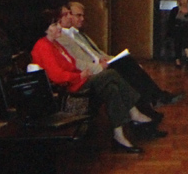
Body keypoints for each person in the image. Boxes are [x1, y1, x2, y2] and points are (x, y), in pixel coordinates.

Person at [31, 9, 165, 153]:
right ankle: (134, 112)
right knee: (111, 74)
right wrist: (80, 76)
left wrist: (82, 74)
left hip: (78, 81)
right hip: (70, 89)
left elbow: (72, 63)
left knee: (112, 88)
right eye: (55, 25)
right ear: (45, 29)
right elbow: (56, 76)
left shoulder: (55, 44)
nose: (59, 27)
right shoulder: (43, 47)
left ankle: (119, 135)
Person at [61, 2, 183, 108]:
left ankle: (153, 99)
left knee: (128, 63)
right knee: (128, 67)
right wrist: (99, 63)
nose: (82, 19)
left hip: (101, 63)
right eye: (78, 15)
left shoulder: (79, 34)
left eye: (83, 15)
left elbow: (98, 53)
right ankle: (154, 99)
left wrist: (112, 59)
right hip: (92, 69)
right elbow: (76, 61)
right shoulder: (64, 38)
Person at [166, 0, 188, 67]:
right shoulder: (174, 10)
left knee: (182, 32)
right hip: (176, 30)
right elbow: (170, 23)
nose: (183, 1)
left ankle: (178, 59)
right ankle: (186, 51)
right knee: (178, 32)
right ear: (178, 1)